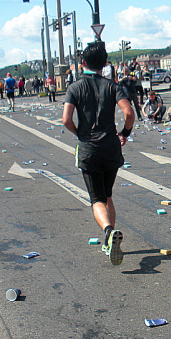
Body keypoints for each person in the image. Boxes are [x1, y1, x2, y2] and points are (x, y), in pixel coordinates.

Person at [62, 42, 135, 266]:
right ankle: (108, 242)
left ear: (82, 63)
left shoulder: (74, 87)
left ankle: (108, 232)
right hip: (111, 147)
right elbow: (129, 112)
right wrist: (124, 133)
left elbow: (66, 120)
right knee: (108, 195)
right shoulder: (113, 86)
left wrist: (79, 134)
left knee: (96, 199)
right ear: (105, 64)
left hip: (89, 148)